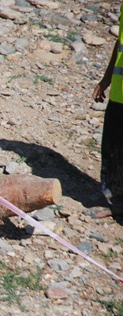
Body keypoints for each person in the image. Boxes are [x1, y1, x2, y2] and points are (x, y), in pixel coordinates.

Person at [92, 3, 123, 218]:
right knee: (113, 150)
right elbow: (119, 44)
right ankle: (117, 202)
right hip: (119, 95)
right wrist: (106, 79)